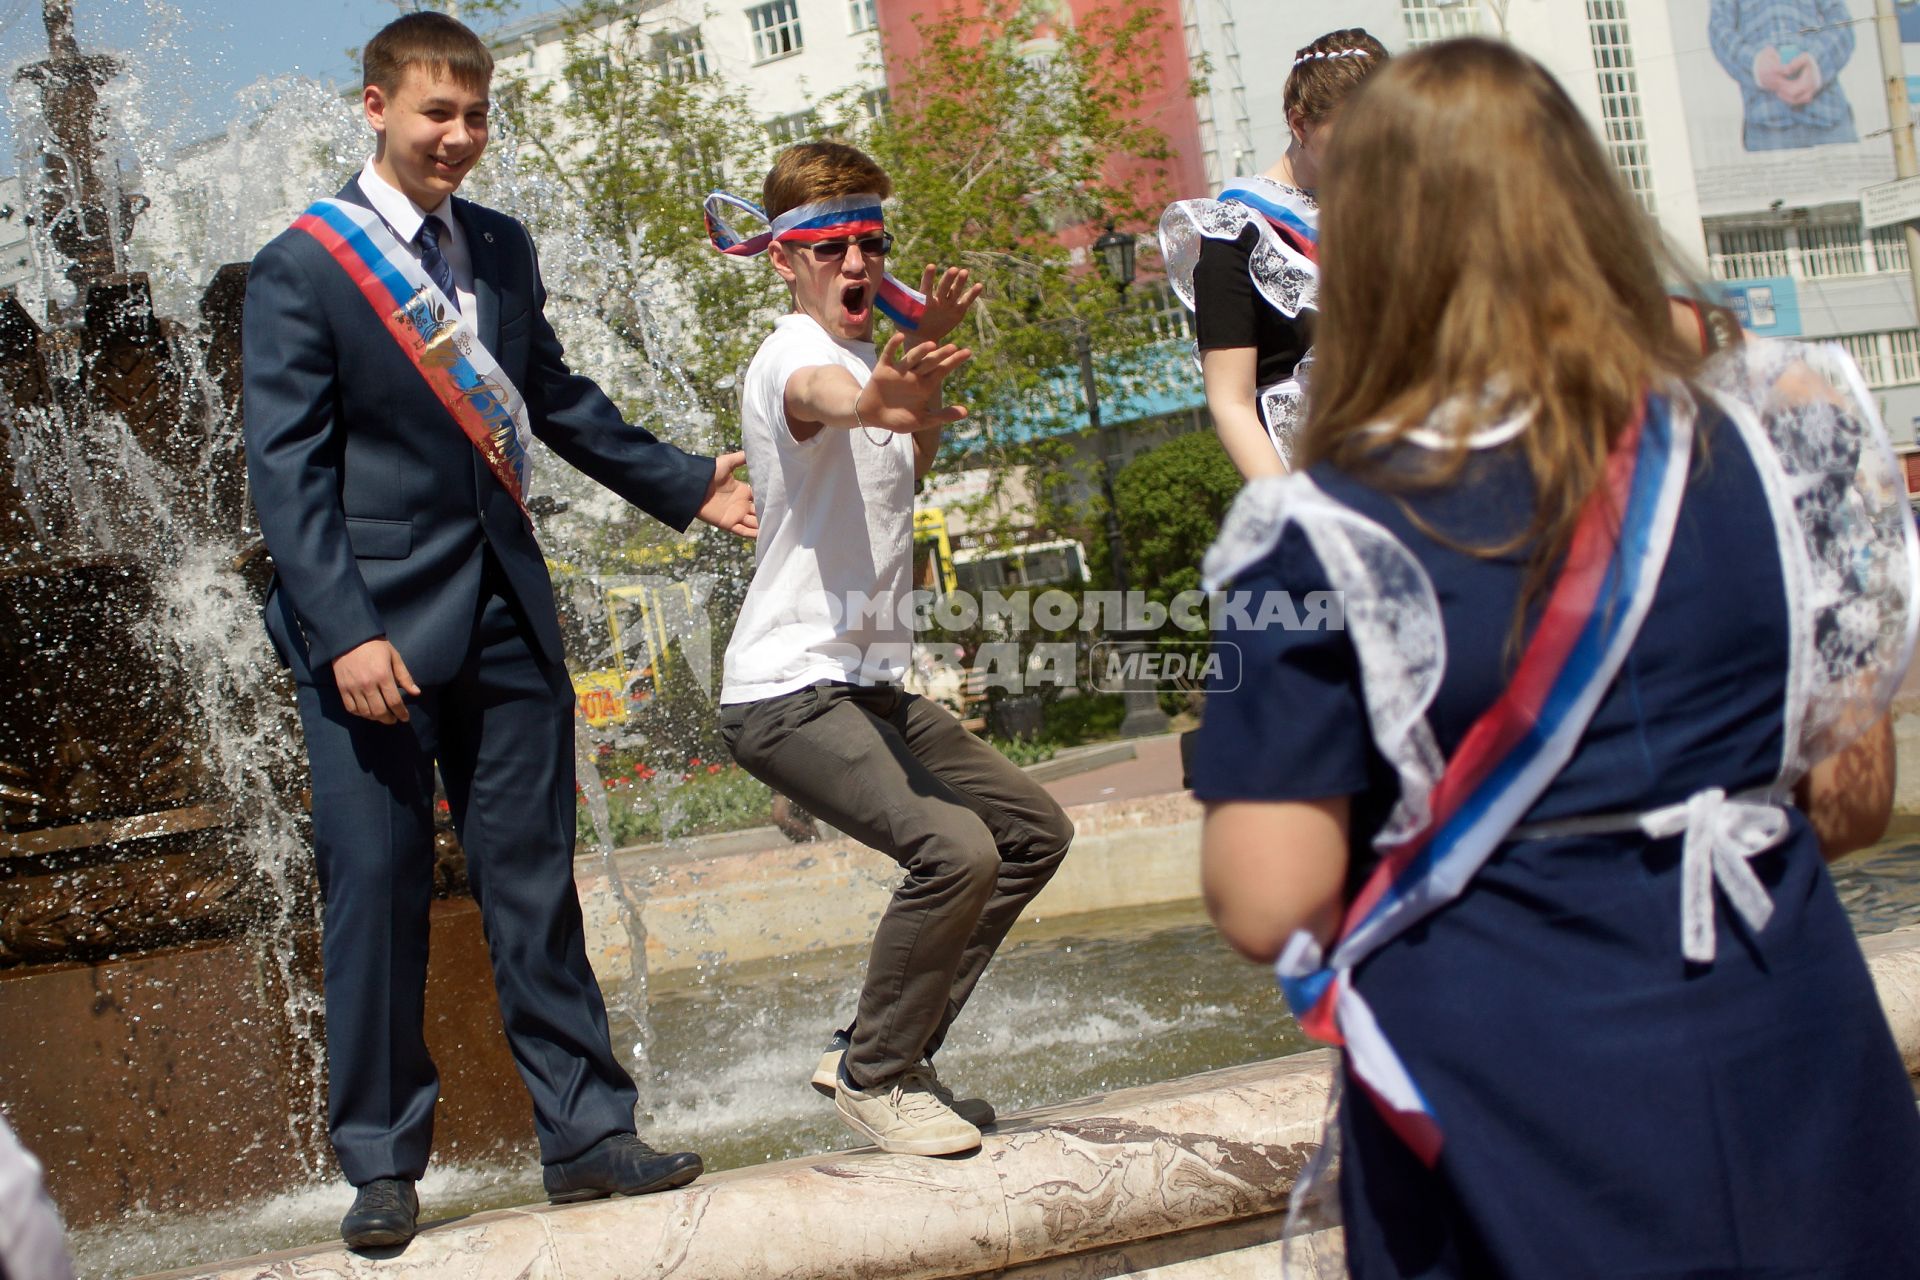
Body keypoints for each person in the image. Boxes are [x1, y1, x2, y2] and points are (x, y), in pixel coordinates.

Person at [1190, 38, 1920, 1278]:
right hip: (1788, 1037)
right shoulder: (1788, 443)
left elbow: (1269, 900)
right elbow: (1854, 801)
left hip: (1513, 1080)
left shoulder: (1310, 536)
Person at [242, 12, 754, 1248]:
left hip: (508, 610)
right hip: (370, 634)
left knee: (533, 882)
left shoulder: (503, 249)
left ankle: (586, 1132)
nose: (460, 138)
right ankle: (379, 1160)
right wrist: (346, 631)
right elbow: (287, 472)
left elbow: (557, 396)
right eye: (436, 115)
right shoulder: (306, 264)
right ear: (375, 108)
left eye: (476, 116)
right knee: (377, 886)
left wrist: (686, 481)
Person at [706, 142, 1075, 1157]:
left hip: (863, 686)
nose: (857, 260)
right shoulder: (792, 355)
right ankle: (879, 1077)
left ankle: (875, 1044)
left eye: (872, 240)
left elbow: (890, 456)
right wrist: (876, 398)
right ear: (785, 260)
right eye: (832, 245)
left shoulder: (873, 361)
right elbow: (831, 398)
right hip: (787, 690)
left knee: (1030, 831)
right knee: (953, 849)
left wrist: (908, 400)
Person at [1157, 29, 1386, 479]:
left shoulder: (1390, 212)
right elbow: (1230, 402)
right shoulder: (1234, 234)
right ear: (1300, 125)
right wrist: (1292, 518)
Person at [1709, 0, 1857, 152]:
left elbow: (1841, 19)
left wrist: (1816, 64)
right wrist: (1755, 64)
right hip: (1766, 127)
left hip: (1830, 118)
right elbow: (1719, 29)